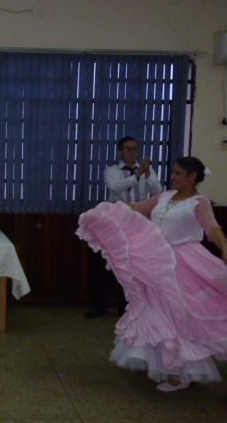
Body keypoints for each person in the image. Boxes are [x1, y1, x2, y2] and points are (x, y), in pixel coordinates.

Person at [77, 156, 227, 391]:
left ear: (192, 177)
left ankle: (181, 372)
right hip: (156, 260)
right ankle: (168, 365)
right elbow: (137, 207)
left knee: (179, 315)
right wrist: (105, 211)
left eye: (178, 173)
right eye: (172, 172)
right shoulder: (163, 197)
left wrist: (225, 249)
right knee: (157, 312)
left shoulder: (199, 202)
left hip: (185, 262)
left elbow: (212, 228)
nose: (172, 177)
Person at [85, 137, 163, 319]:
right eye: (127, 149)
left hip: (140, 224)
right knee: (107, 266)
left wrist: (147, 174)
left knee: (134, 268)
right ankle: (100, 306)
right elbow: (115, 188)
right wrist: (136, 176)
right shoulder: (111, 171)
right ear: (120, 152)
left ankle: (128, 309)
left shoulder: (147, 171)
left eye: (135, 149)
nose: (132, 153)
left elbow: (158, 191)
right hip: (116, 223)